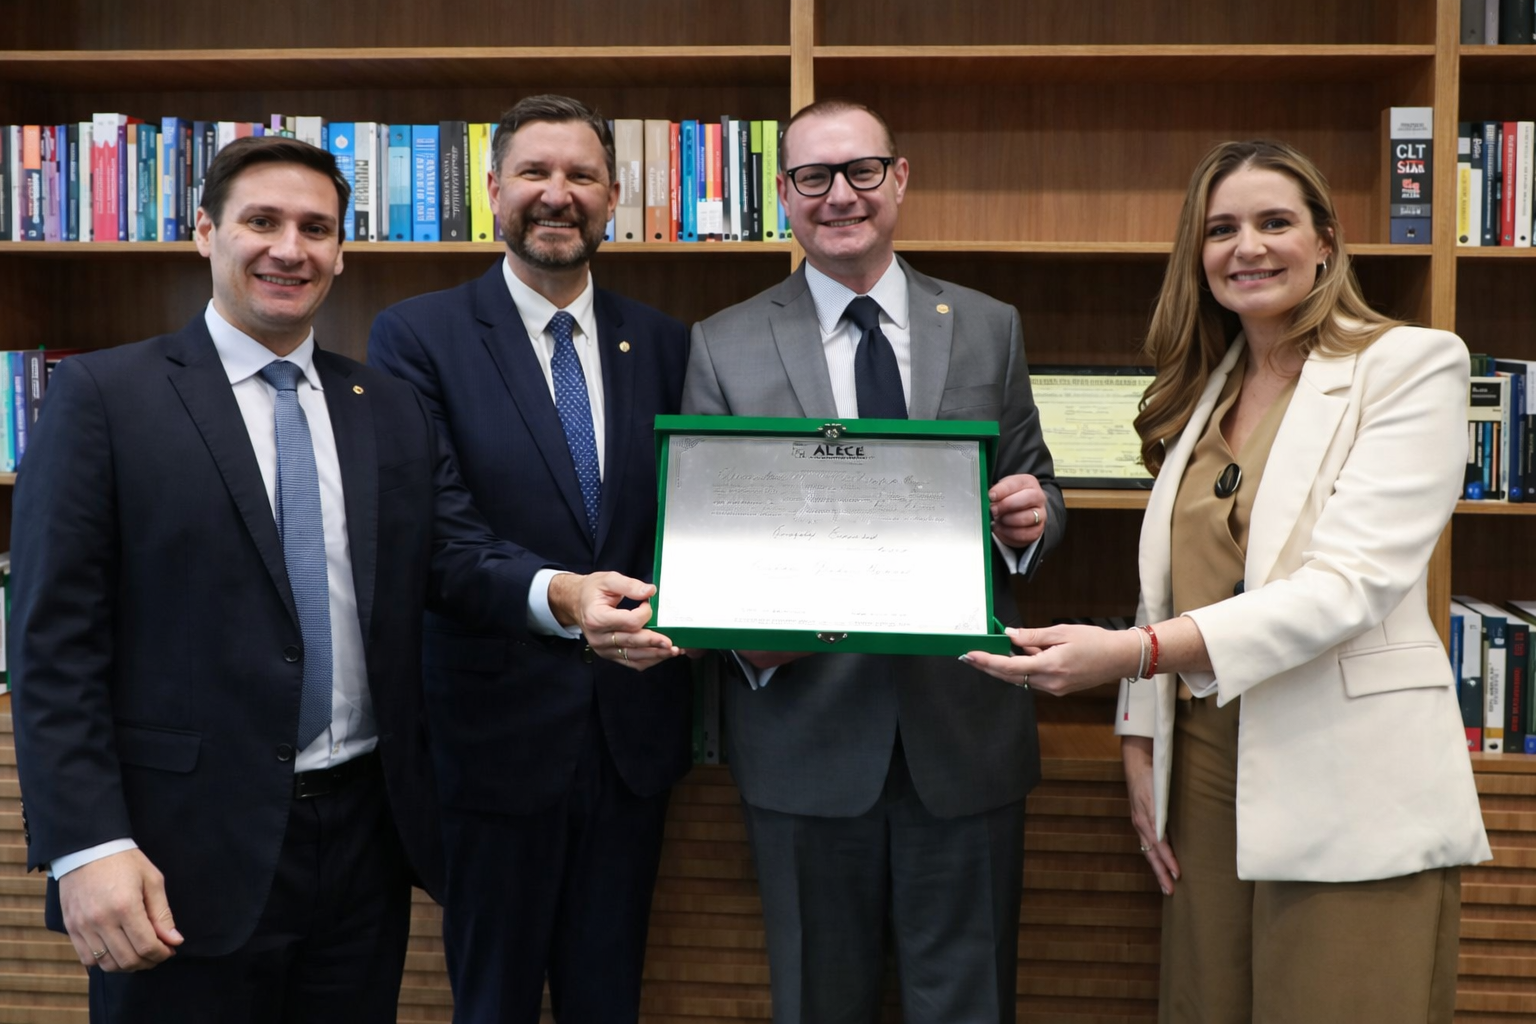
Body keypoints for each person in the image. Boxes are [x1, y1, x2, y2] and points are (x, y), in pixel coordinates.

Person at [9, 135, 659, 1023]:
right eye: (261, 222)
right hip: (177, 853)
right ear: (205, 233)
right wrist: (87, 845)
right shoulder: (104, 397)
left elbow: (449, 559)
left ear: (342, 252)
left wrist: (566, 596)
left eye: (316, 228)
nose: (290, 248)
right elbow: (51, 646)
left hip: (362, 841)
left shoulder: (381, 406)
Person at [965, 139, 1491, 1023]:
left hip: (1349, 768)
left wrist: (1133, 659)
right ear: (1197, 256)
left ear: (1327, 240)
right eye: (1221, 229)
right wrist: (1140, 738)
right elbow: (1167, 590)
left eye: (1274, 222)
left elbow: (1347, 586)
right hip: (1202, 771)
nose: (1247, 246)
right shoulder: (1204, 388)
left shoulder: (1410, 365)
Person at [683, 98, 1064, 1024]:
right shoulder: (721, 342)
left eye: (861, 171)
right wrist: (744, 638)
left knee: (969, 1004)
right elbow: (699, 535)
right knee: (818, 1001)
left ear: (900, 178)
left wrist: (1030, 522)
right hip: (803, 735)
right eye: (813, 177)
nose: (839, 195)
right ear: (783, 195)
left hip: (965, 729)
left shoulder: (987, 326)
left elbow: (1036, 488)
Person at [367, 94, 690, 1024]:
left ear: (615, 196)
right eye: (536, 174)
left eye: (582, 176)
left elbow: (695, 520)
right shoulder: (416, 336)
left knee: (609, 999)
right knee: (493, 1001)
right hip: (487, 742)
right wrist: (563, 596)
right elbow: (434, 534)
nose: (559, 195)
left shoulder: (666, 343)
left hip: (632, 739)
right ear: (494, 190)